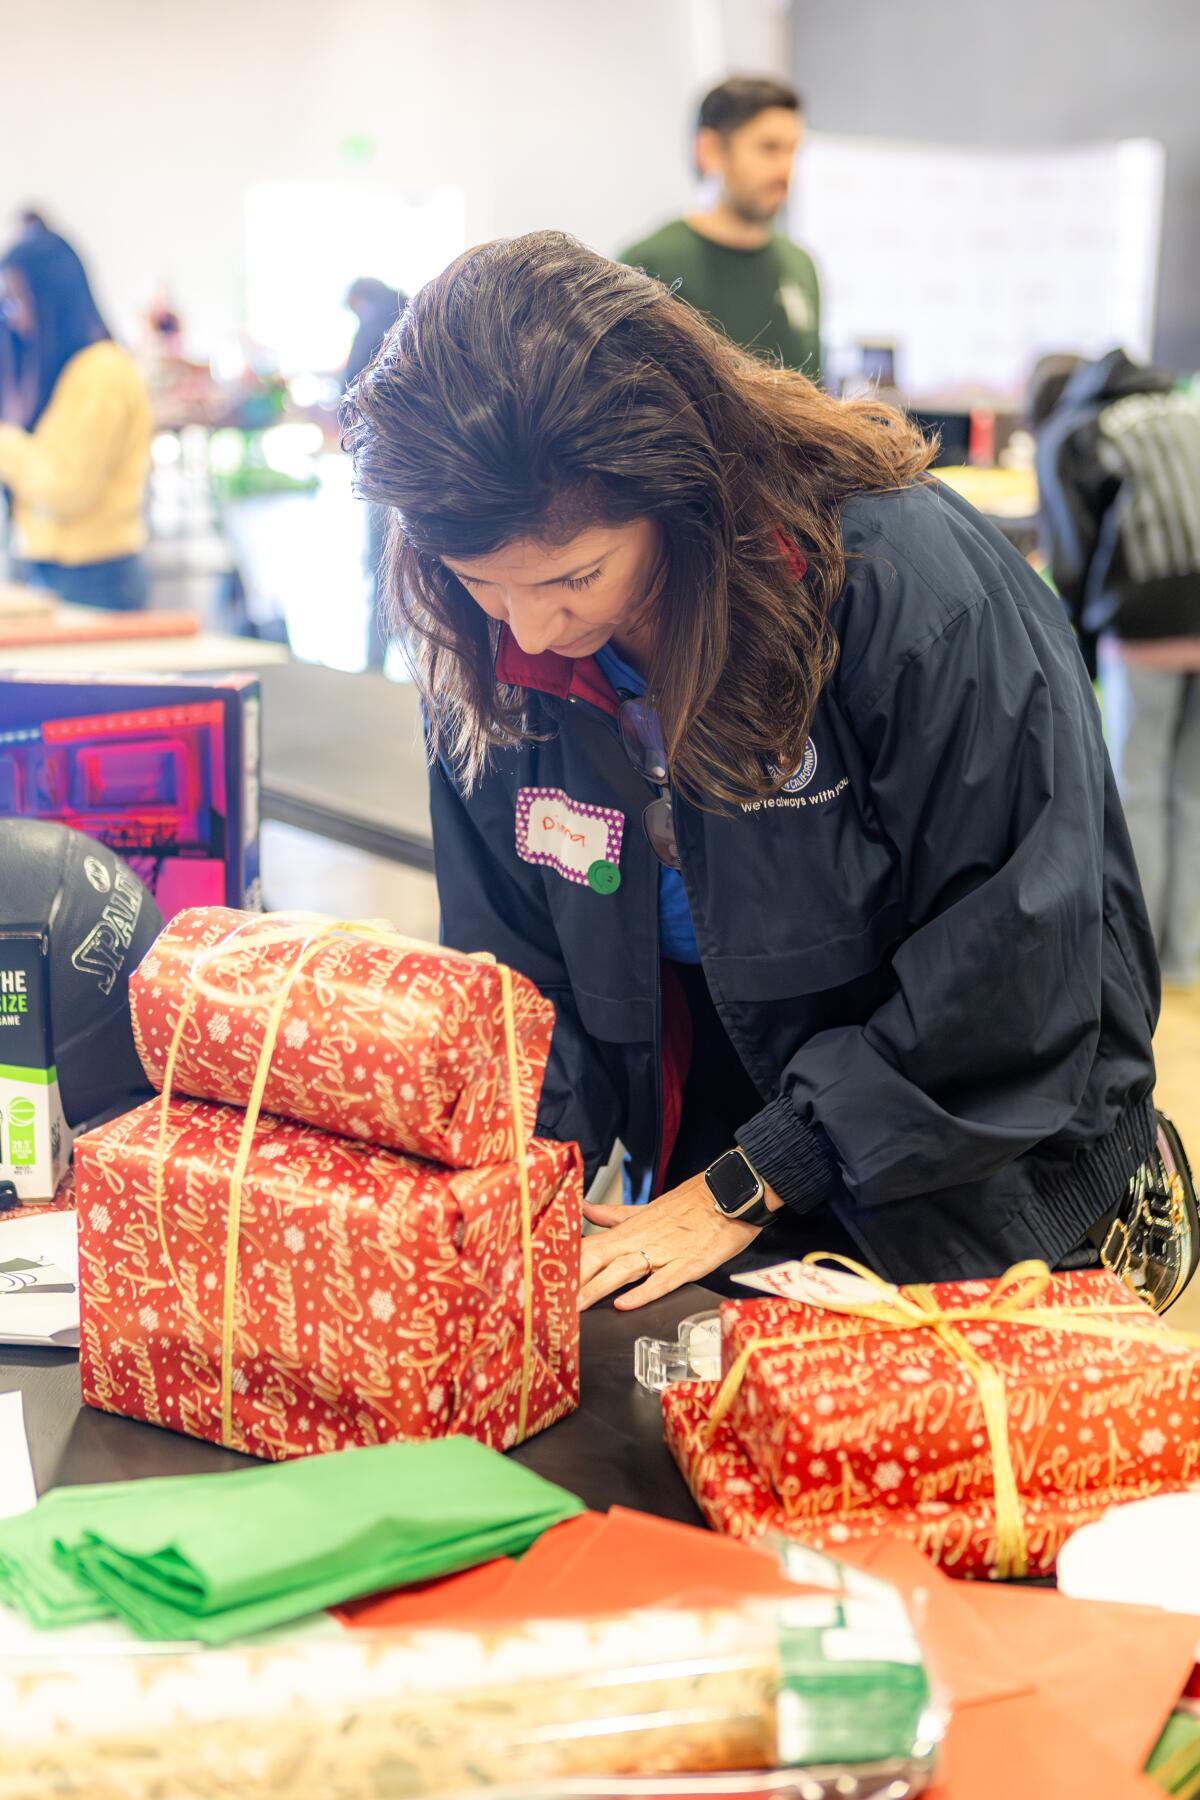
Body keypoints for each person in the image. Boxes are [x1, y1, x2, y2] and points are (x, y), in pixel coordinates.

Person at [344, 232, 1193, 1319]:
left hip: (980, 1182)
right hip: (719, 1166)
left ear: (681, 487)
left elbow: (1014, 969)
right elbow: (522, 974)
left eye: (575, 576)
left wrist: (763, 1171)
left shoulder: (908, 590)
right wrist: (507, 1189)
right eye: (483, 584)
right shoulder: (490, 646)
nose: (534, 629)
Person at [1036, 348, 1200, 990]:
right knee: (1193, 790)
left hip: (1146, 620)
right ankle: (1189, 955)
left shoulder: (1078, 431)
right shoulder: (1182, 410)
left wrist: (1076, 642)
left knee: (1136, 786)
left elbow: (1071, 559)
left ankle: (1138, 962)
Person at [619, 75, 820, 379]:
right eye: (769, 148)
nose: (785, 169)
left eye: (792, 150)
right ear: (710, 151)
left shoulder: (800, 266)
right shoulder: (647, 265)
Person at [0, 229, 152, 609]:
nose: (15, 320)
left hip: (95, 576)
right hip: (60, 569)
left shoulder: (100, 372)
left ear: (52, 301)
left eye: (18, 301)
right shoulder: (73, 372)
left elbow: (64, 487)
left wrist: (6, 442)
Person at [344, 277, 406, 667]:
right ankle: (434, 667)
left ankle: (374, 663)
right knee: (426, 571)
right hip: (425, 468)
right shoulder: (412, 314)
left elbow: (349, 384)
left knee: (385, 566)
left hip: (389, 466)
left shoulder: (372, 325)